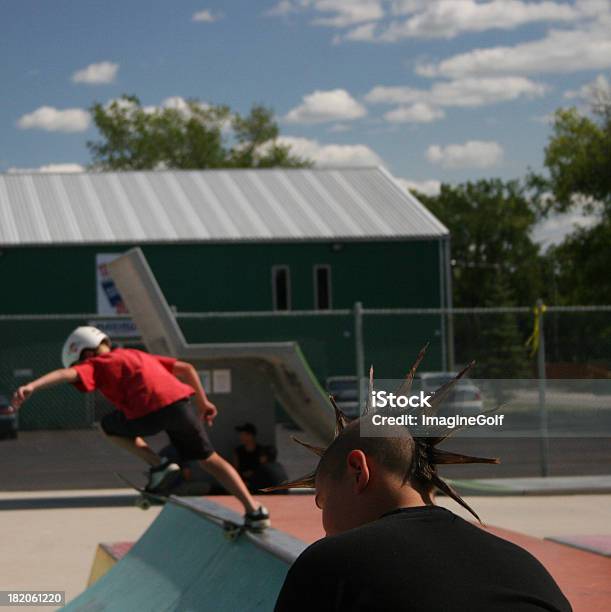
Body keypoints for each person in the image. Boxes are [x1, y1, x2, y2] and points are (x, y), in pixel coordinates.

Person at [271, 357, 571, 611]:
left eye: (322, 500)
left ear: (357, 471)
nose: (324, 528)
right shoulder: (527, 570)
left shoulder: (330, 566)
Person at [11, 326, 270, 530]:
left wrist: (33, 386)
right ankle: (254, 510)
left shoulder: (95, 364)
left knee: (108, 426)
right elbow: (186, 368)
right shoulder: (138, 354)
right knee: (208, 458)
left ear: (85, 354)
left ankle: (159, 465)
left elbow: (66, 375)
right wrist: (203, 402)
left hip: (148, 411)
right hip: (181, 405)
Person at [233, 423, 288, 492]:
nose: (240, 437)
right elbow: (236, 469)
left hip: (259, 484)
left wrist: (253, 474)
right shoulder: (238, 451)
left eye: (243, 434)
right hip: (244, 483)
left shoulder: (261, 451)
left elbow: (266, 470)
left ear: (251, 436)